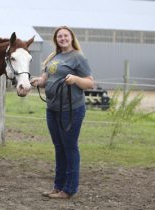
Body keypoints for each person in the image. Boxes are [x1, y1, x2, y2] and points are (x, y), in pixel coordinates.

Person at [30, 26, 94, 199]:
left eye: (66, 35)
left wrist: (76, 79)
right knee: (59, 148)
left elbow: (90, 83)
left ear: (71, 38)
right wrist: (38, 81)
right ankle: (58, 186)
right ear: (56, 39)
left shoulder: (78, 58)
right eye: (60, 36)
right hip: (52, 109)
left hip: (71, 110)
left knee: (70, 147)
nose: (63, 38)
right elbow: (46, 78)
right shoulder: (54, 57)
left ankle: (69, 189)